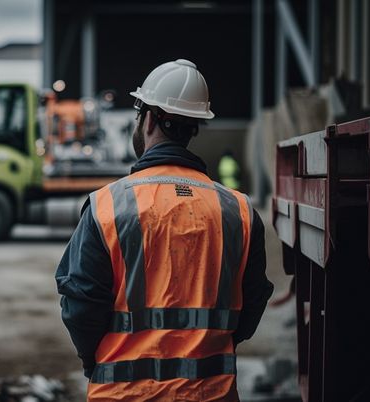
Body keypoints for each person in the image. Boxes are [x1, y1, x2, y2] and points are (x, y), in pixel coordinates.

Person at [55, 59, 273, 401]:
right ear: (195, 127)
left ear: (149, 117)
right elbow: (253, 302)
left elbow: (81, 305)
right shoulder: (239, 210)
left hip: (123, 394)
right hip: (211, 393)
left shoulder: (108, 205)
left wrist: (92, 362)